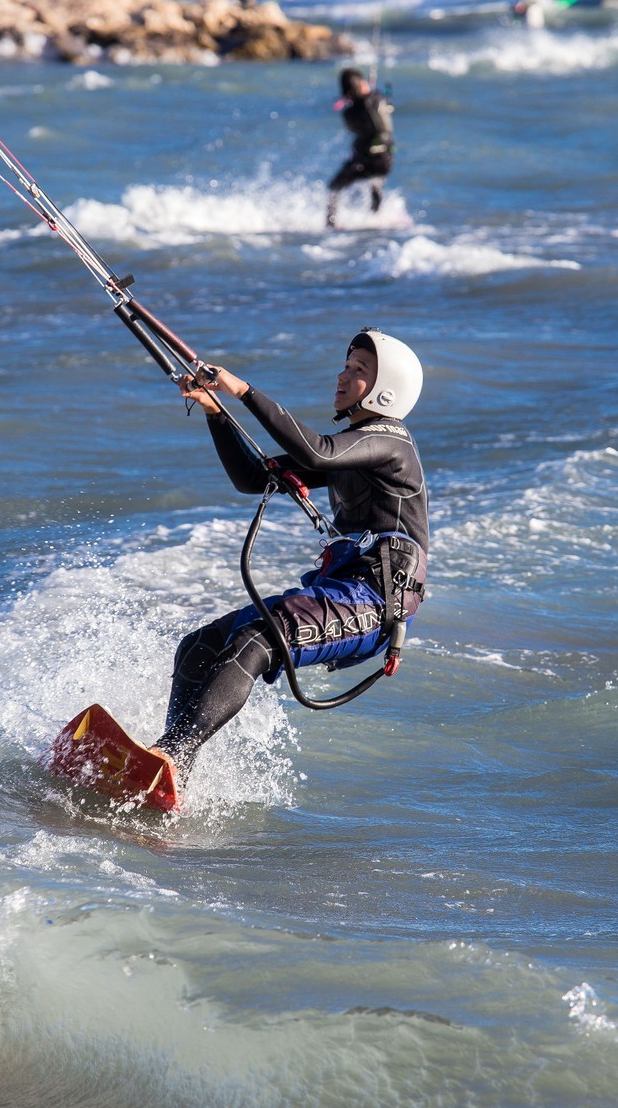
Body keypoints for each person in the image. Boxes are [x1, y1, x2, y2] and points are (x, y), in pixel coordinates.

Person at [153, 328, 429, 788]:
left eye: (359, 370)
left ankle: (172, 754)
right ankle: (171, 764)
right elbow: (250, 477)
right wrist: (215, 412)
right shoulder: (353, 449)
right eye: (346, 365)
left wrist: (242, 391)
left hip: (376, 603)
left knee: (258, 640)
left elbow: (316, 454)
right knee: (200, 645)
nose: (343, 376)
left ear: (386, 391)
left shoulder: (392, 443)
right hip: (339, 592)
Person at [326, 68, 395, 229]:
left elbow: (355, 128)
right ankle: (376, 218)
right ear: (361, 84)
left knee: (334, 187)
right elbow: (385, 106)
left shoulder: (349, 112)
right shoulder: (379, 98)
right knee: (376, 182)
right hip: (386, 160)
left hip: (365, 160)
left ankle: (330, 224)